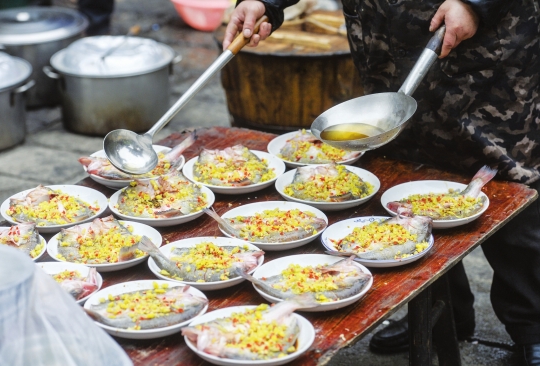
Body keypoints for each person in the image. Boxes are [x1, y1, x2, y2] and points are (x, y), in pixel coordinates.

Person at [222, 0, 540, 364]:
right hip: (391, 45)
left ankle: (532, 330)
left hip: (489, 53)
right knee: (411, 185)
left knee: (509, 189)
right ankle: (445, 313)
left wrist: (475, 4)